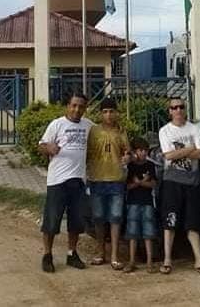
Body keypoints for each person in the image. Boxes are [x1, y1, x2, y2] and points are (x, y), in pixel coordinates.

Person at [158, 97, 200, 276]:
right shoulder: (165, 131)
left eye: (181, 107)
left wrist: (181, 152)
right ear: (170, 111)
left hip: (191, 181)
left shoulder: (194, 128)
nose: (178, 110)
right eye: (174, 108)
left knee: (192, 223)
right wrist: (190, 149)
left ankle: (199, 260)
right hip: (172, 181)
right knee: (170, 221)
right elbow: (168, 156)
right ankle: (167, 260)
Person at [38, 93, 92, 273]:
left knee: (76, 222)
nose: (77, 109)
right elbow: (41, 145)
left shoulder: (89, 126)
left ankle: (71, 253)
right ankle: (47, 255)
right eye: (74, 105)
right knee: (52, 221)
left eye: (81, 106)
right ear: (67, 106)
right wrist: (48, 148)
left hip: (78, 180)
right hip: (57, 181)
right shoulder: (57, 124)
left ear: (85, 108)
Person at [86, 97, 129, 270]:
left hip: (117, 180)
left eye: (111, 111)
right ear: (100, 114)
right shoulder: (93, 131)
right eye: (105, 112)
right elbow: (86, 153)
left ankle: (114, 255)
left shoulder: (121, 132)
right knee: (98, 218)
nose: (108, 115)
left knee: (116, 218)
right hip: (97, 179)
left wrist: (128, 157)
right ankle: (100, 252)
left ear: (116, 113)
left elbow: (128, 153)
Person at [123, 136, 157, 274]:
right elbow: (127, 186)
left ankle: (150, 261)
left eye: (145, 150)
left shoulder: (150, 165)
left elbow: (153, 184)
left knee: (148, 233)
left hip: (147, 202)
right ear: (134, 151)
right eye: (140, 150)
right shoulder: (130, 167)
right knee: (132, 232)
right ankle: (132, 261)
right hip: (132, 202)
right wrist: (140, 182)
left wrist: (141, 183)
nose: (143, 153)